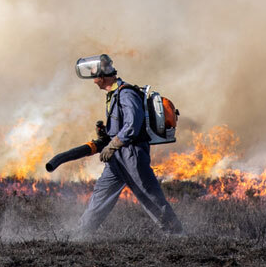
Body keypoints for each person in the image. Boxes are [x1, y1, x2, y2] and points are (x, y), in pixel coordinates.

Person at [46, 54, 184, 236]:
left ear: (102, 76)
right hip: (117, 157)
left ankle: (176, 234)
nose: (93, 79)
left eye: (94, 74)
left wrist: (112, 145)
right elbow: (121, 125)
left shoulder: (126, 94)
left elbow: (133, 125)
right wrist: (106, 135)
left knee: (149, 195)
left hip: (132, 154)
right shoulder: (114, 95)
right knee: (101, 196)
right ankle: (82, 234)